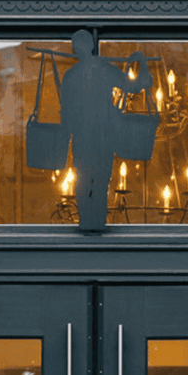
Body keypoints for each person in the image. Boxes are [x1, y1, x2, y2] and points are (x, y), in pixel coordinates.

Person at [58, 31, 152, 231]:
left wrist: (65, 135)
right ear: (92, 45)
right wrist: (141, 67)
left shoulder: (72, 75)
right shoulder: (103, 69)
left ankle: (89, 221)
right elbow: (132, 86)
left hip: (87, 135)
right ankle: (96, 221)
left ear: (76, 49)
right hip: (101, 134)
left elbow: (65, 111)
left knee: (86, 179)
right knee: (98, 181)